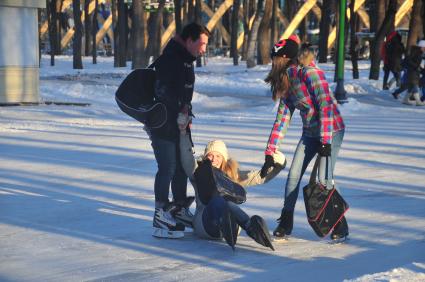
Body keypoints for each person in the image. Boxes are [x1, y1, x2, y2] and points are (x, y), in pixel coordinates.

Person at [260, 37, 348, 241]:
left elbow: (325, 106)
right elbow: (282, 119)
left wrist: (326, 141)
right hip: (310, 133)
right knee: (294, 175)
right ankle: (286, 220)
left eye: (275, 58)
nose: (272, 62)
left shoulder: (310, 74)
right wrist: (270, 153)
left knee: (324, 179)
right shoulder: (286, 81)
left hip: (331, 131)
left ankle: (340, 225)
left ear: (284, 57)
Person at [177, 115, 286, 250]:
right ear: (205, 156)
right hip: (206, 224)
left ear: (224, 159)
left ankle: (247, 226)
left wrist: (278, 166)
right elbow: (187, 159)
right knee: (218, 201)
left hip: (231, 224)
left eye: (218, 156)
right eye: (210, 155)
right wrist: (183, 133)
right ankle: (247, 225)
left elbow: (258, 177)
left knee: (227, 203)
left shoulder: (231, 174)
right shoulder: (199, 172)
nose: (213, 159)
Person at [148, 23, 210, 239]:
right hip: (162, 123)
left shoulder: (185, 60)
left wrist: (186, 110)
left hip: (178, 123)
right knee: (167, 167)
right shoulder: (170, 59)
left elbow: (184, 95)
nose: (203, 49)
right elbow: (162, 91)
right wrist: (180, 110)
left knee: (182, 168)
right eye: (201, 44)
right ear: (189, 40)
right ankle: (160, 214)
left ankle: (179, 208)